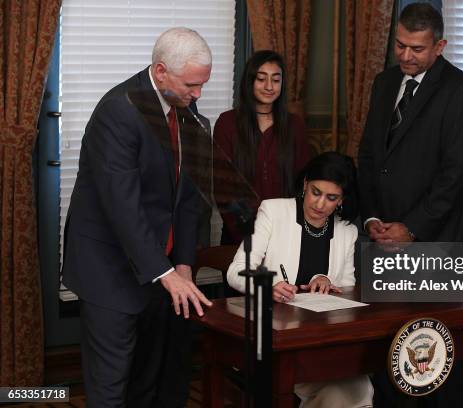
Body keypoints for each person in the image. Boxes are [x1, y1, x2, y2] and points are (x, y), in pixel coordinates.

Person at [61, 27, 213, 407]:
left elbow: (188, 199)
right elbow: (122, 207)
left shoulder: (187, 112)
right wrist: (164, 273)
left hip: (159, 270)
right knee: (111, 387)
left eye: (201, 86)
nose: (198, 95)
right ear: (161, 71)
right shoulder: (118, 111)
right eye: (191, 85)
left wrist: (183, 265)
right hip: (109, 269)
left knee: (151, 381)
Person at [226, 152, 373, 408]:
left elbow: (347, 290)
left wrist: (326, 279)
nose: (320, 204)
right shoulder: (273, 211)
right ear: (304, 184)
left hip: (322, 340)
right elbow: (236, 270)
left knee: (356, 387)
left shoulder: (346, 231)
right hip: (276, 339)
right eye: (315, 192)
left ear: (342, 200)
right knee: (340, 392)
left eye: (331, 198)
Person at [358, 2, 463, 244]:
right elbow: (369, 154)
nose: (405, 56)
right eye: (400, 45)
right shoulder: (384, 82)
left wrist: (412, 228)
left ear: (439, 46)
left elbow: (457, 173)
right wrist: (371, 216)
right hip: (379, 232)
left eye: (416, 49)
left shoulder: (461, 91)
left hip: (433, 238)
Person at [213, 50, 311, 245]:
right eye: (261, 79)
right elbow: (222, 188)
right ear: (250, 82)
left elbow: (304, 183)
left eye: (276, 80)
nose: (269, 86)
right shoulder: (227, 123)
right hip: (239, 236)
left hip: (287, 234)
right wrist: (248, 235)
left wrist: (291, 229)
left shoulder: (295, 125)